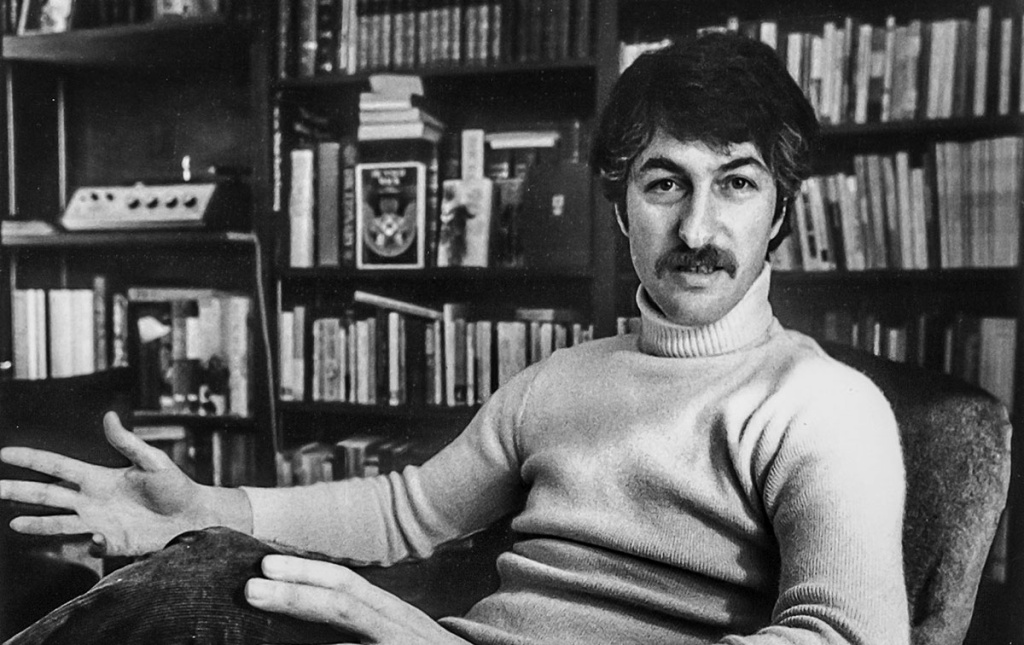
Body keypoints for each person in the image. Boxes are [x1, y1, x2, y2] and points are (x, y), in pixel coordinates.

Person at [0, 32, 910, 644]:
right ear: (617, 204)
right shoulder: (559, 379)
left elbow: (844, 636)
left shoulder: (824, 406)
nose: (700, 227)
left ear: (783, 212)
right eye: (665, 183)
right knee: (199, 575)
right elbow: (408, 509)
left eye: (739, 185)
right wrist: (208, 506)